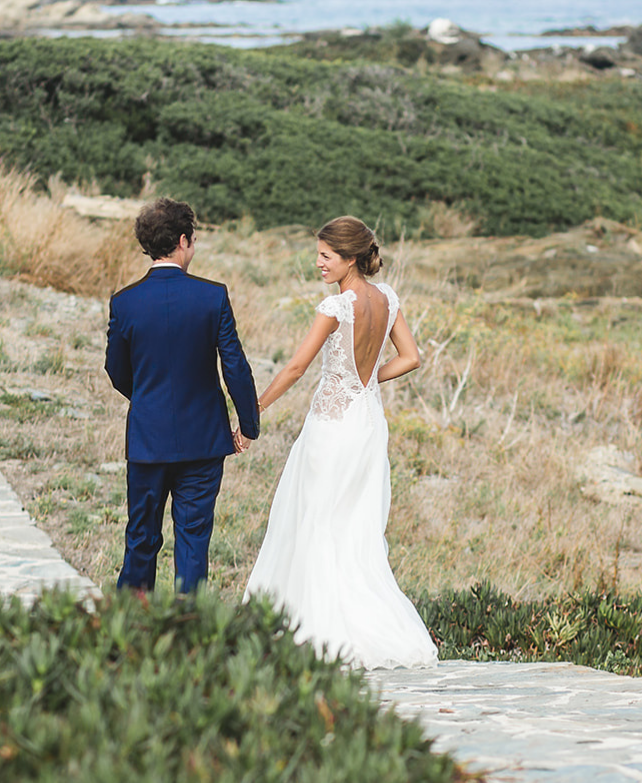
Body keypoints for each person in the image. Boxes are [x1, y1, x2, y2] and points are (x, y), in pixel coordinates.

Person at [244, 216, 438, 669]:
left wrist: (254, 410)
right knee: (354, 527)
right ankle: (359, 625)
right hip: (367, 421)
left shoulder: (335, 309)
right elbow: (411, 358)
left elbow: (294, 369)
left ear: (351, 259)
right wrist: (367, 381)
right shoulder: (387, 298)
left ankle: (317, 631)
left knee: (315, 520)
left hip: (332, 426)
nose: (318, 264)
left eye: (326, 256)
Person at [105, 198, 258, 595]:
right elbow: (235, 367)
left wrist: (146, 399)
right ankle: (188, 632)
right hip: (203, 439)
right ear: (184, 240)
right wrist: (248, 425)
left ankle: (130, 627)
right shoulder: (213, 297)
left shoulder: (125, 302)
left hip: (147, 440)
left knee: (141, 538)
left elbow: (116, 370)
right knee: (193, 542)